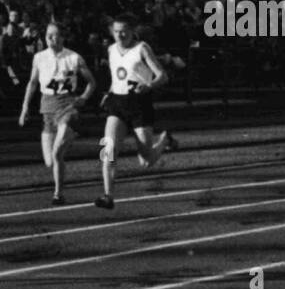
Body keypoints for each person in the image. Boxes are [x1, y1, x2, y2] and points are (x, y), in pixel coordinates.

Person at [94, 14, 178, 210]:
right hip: (117, 104)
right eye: (116, 31)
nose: (120, 34)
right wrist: (109, 92)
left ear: (132, 31)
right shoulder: (111, 49)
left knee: (146, 161)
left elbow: (162, 76)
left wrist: (148, 85)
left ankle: (164, 139)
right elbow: (117, 76)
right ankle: (108, 196)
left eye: (124, 30)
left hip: (140, 104)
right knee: (108, 150)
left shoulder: (142, 48)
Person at [19, 22, 96, 205]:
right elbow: (32, 83)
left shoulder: (74, 57)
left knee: (56, 154)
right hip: (47, 109)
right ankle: (60, 186)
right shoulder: (39, 57)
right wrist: (24, 108)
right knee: (50, 162)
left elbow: (92, 82)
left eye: (56, 35)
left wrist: (83, 97)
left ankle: (58, 194)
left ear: (63, 37)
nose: (52, 39)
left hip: (68, 106)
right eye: (49, 36)